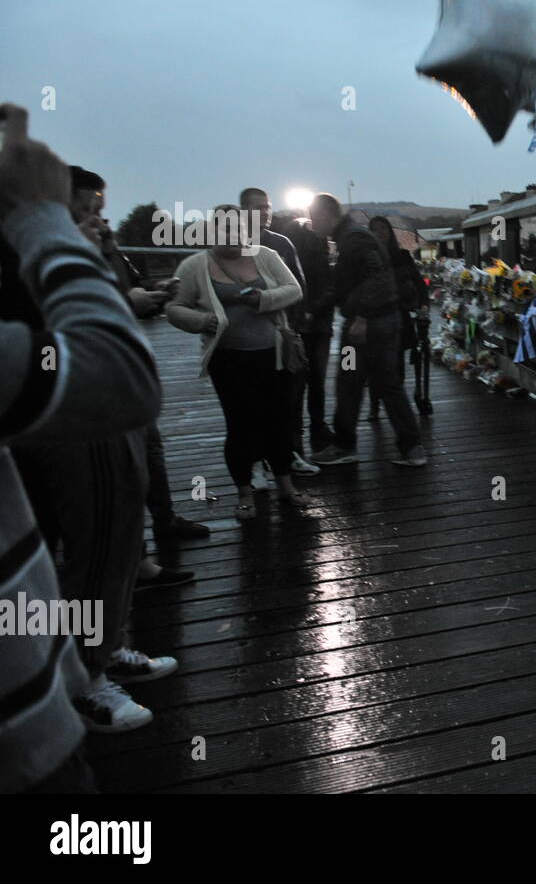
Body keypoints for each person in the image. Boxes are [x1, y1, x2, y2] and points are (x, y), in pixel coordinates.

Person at [0, 102, 162, 786]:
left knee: (116, 534)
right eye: (87, 207)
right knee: (96, 535)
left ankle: (100, 650)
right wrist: (46, 226)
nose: (99, 217)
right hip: (24, 743)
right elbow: (113, 370)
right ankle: (90, 672)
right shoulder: (28, 252)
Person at [69, 167, 210, 548]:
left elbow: (129, 289)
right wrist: (127, 302)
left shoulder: (105, 245)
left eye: (100, 206)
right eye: (86, 208)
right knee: (117, 470)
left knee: (149, 451)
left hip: (126, 370)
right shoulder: (55, 253)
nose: (97, 217)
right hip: (92, 379)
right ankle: (130, 556)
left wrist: (155, 293)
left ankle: (163, 522)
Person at [165, 205, 306, 519]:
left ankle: (286, 486)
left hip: (275, 354)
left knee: (279, 421)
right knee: (240, 425)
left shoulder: (266, 255)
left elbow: (294, 289)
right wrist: (202, 320)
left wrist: (263, 299)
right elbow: (174, 308)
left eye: (236, 230)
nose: (230, 236)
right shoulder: (193, 266)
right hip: (228, 359)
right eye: (222, 230)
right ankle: (245, 494)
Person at [307, 194, 425, 467]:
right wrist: (316, 309)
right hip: (380, 322)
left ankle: (346, 446)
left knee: (349, 384)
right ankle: (412, 448)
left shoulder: (354, 239)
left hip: (366, 327)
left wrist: (361, 315)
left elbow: (376, 277)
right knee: (386, 385)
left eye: (314, 218)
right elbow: (343, 283)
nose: (312, 224)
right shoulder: (351, 237)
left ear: (325, 215)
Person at [239, 187, 319, 476]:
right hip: (245, 334)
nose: (266, 212)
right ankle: (258, 460)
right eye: (259, 207)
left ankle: (291, 453)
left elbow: (299, 284)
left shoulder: (282, 243)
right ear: (244, 210)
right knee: (253, 401)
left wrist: (296, 327)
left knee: (289, 397)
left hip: (281, 330)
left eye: (268, 206)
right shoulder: (232, 243)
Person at [275, 212, 335, 452]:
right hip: (317, 324)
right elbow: (331, 286)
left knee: (297, 382)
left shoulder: (287, 255)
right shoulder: (322, 255)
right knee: (315, 381)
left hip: (299, 323)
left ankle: (296, 434)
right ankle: (316, 428)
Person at [365, 216, 429, 420]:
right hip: (374, 316)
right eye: (375, 229)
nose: (380, 232)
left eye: (383, 228)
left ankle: (397, 408)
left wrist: (423, 303)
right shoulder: (367, 257)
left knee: (397, 362)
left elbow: (418, 282)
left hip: (399, 315)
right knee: (375, 365)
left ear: (389, 231)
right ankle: (375, 406)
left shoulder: (402, 256)